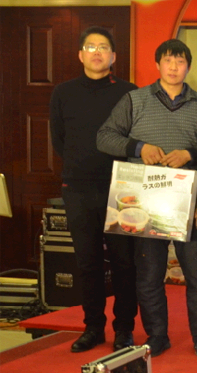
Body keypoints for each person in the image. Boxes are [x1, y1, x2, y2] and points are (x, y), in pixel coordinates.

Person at [97, 39, 197, 357]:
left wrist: (190, 153)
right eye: (168, 61)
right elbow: (104, 137)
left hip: (188, 200)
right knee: (149, 274)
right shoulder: (134, 100)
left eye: (180, 61)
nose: (174, 67)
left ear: (188, 67)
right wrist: (139, 148)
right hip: (145, 202)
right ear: (157, 65)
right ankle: (157, 335)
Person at [50, 27, 138, 353]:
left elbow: (134, 138)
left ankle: (124, 328)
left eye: (103, 47)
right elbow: (59, 139)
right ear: (80, 55)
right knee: (88, 263)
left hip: (120, 188)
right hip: (78, 188)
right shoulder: (63, 92)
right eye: (90, 47)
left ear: (113, 56)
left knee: (124, 263)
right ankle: (93, 327)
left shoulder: (129, 93)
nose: (97, 52)